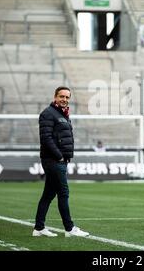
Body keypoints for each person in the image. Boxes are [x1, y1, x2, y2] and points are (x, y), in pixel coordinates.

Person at [33, 86, 89, 238]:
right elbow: (46, 138)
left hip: (59, 160)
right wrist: (59, 156)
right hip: (53, 160)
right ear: (55, 97)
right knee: (63, 193)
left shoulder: (62, 113)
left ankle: (39, 228)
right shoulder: (48, 113)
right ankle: (69, 228)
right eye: (61, 96)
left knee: (48, 195)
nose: (64, 99)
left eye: (67, 97)